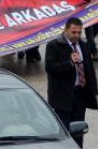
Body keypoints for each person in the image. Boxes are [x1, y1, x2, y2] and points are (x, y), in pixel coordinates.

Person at [45, 17, 98, 148]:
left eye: (79, 32)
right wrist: (69, 63)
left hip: (80, 95)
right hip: (62, 98)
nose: (77, 35)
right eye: (73, 32)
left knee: (78, 132)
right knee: (64, 133)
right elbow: (50, 68)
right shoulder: (53, 45)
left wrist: (94, 90)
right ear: (66, 30)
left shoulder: (84, 45)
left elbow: (89, 70)